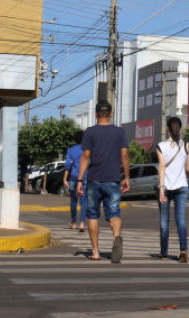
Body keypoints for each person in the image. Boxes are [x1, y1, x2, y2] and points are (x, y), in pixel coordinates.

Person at [75, 100, 130, 263]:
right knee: (114, 213)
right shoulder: (119, 132)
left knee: (92, 215)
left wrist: (79, 180)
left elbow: (85, 156)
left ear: (96, 114)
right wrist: (126, 177)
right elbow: (124, 155)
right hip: (113, 179)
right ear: (111, 114)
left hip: (94, 180)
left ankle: (96, 252)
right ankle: (116, 237)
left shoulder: (90, 132)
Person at [156, 116, 189, 263]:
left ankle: (164, 251)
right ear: (180, 129)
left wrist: (161, 189)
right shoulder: (187, 145)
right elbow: (188, 168)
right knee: (180, 220)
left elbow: (162, 168)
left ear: (167, 129)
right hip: (182, 186)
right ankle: (183, 250)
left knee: (164, 221)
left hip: (167, 187)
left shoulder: (161, 146)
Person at [62, 130, 87, 231]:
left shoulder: (70, 150)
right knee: (83, 201)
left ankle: (73, 222)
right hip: (85, 177)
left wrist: (64, 179)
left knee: (73, 201)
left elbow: (68, 165)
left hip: (73, 177)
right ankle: (82, 223)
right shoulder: (87, 150)